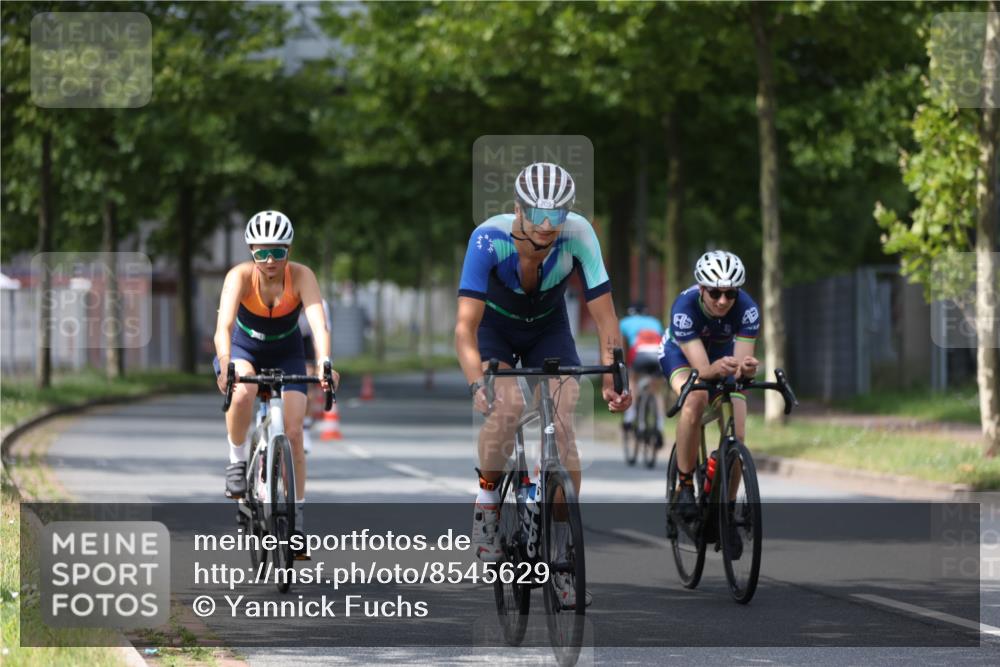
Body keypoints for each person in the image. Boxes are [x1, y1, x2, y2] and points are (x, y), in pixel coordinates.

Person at [454, 161, 631, 607]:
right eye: (538, 214)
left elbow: (606, 316)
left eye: (559, 215)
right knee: (508, 407)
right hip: (496, 328)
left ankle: (562, 550)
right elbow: (464, 328)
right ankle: (488, 501)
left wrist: (615, 372)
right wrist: (478, 382)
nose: (548, 226)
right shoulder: (488, 239)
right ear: (518, 208)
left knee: (565, 416)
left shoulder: (579, 234)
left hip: (548, 327)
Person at [213, 210, 338, 548]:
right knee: (242, 393)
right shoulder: (239, 277)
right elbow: (223, 328)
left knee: (295, 431)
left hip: (287, 353)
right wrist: (226, 363)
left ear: (289, 252)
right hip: (243, 350)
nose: (270, 260)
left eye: (278, 252)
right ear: (251, 250)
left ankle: (296, 518)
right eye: (262, 252)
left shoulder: (301, 277)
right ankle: (237, 462)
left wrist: (325, 363)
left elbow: (318, 324)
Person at [659, 250, 759, 525]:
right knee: (696, 397)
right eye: (715, 293)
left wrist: (746, 369)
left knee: (738, 434)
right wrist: (720, 369)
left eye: (730, 293)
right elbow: (702, 370)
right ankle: (684, 486)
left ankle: (724, 513)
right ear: (702, 289)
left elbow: (740, 366)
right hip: (682, 355)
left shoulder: (748, 308)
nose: (723, 300)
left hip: (723, 357)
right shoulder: (684, 307)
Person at [618, 301, 665, 441]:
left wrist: (623, 364)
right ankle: (660, 425)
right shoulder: (655, 322)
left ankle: (630, 415)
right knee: (656, 391)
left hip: (639, 354)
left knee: (632, 379)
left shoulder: (625, 322)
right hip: (657, 355)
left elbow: (622, 347)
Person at [298, 298, 332, 454]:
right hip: (283, 336)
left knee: (308, 379)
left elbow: (320, 335)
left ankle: (304, 426)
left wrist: (321, 365)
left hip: (306, 339)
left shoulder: (320, 305)